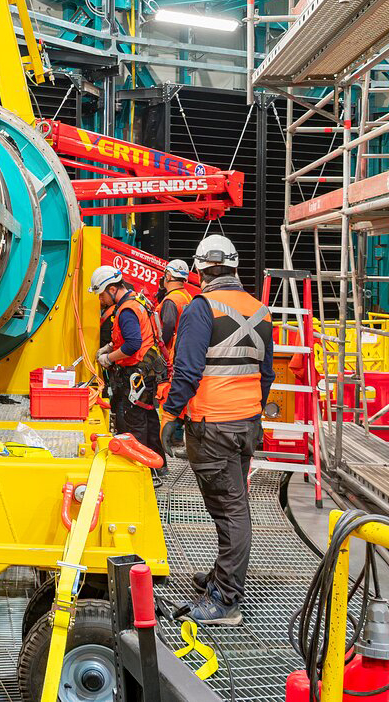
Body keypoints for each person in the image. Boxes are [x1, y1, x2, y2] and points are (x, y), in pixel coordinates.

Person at [161, 234, 274, 626]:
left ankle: (225, 598)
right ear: (235, 264)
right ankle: (221, 577)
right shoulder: (261, 311)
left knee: (230, 510)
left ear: (198, 269)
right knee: (230, 505)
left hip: (213, 426)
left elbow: (188, 371)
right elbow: (266, 374)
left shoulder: (201, 308)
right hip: (245, 425)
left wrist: (170, 414)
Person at [90, 265, 168, 476]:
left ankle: (139, 474)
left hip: (136, 375)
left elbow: (133, 344)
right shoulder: (139, 301)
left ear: (112, 289)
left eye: (101, 295)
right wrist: (110, 347)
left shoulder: (126, 311)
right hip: (147, 373)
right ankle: (158, 468)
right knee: (150, 421)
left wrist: (109, 357)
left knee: (134, 425)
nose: (101, 300)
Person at [156, 259, 194, 436]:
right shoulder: (187, 296)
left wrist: (159, 350)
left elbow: (168, 326)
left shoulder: (171, 300)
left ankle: (173, 436)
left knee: (170, 395)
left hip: (171, 356)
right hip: (185, 352)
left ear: (168, 276)